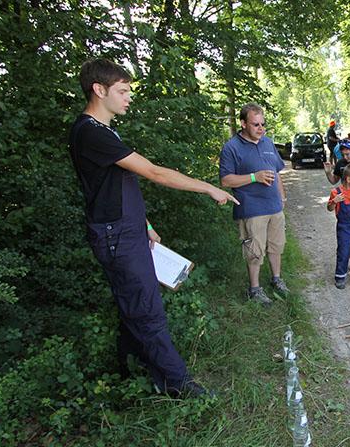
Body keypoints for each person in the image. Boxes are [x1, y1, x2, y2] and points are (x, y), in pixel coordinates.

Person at [68, 58, 237, 397]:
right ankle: (179, 384)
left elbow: (116, 186)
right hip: (117, 237)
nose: (129, 97)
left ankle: (130, 370)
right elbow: (154, 173)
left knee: (134, 302)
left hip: (127, 231)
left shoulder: (103, 131)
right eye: (123, 90)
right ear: (99, 90)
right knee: (147, 310)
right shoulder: (89, 131)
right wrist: (207, 187)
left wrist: (143, 224)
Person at [219, 103, 289, 306]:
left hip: (274, 206)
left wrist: (282, 198)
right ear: (243, 123)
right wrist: (253, 177)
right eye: (255, 124)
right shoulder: (232, 147)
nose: (261, 129)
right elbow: (225, 180)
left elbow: (276, 173)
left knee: (277, 245)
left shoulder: (267, 143)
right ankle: (254, 289)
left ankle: (277, 279)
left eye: (263, 124)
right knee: (255, 250)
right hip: (251, 208)